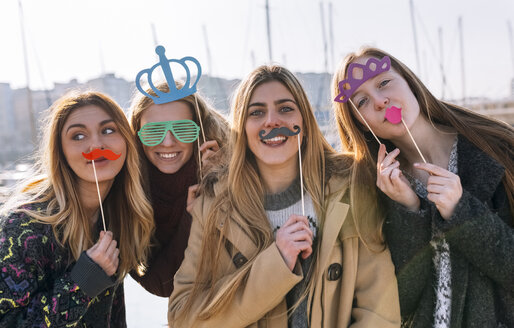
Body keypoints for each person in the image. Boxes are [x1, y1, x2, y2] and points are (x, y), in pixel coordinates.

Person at [168, 65, 400, 327]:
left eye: (286, 108)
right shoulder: (215, 206)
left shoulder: (352, 188)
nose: (272, 121)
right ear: (242, 128)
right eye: (256, 112)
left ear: (305, 122)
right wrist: (276, 263)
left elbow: (380, 310)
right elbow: (183, 316)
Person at [331, 46, 514, 327]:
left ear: (409, 82)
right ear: (360, 124)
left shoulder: (498, 147)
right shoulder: (374, 188)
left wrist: (462, 211)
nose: (380, 101)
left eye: (384, 83)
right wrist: (409, 210)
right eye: (362, 101)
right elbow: (401, 303)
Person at [0, 91, 154, 327]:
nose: (96, 144)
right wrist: (82, 283)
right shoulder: (22, 228)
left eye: (108, 130)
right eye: (78, 135)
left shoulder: (118, 215)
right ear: (61, 152)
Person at [128, 81, 228, 297]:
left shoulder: (228, 172)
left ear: (199, 131)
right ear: (137, 136)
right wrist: (192, 216)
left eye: (183, 129)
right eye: (154, 131)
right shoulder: (127, 192)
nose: (168, 142)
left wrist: (218, 182)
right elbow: (161, 285)